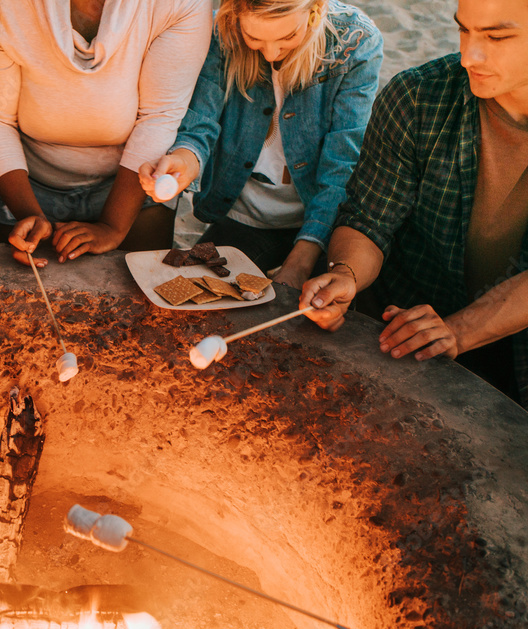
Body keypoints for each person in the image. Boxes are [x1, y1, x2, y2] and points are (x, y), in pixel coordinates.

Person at [300, 0, 528, 407]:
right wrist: (347, 273)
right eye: (464, 30)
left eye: (496, 36)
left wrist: (459, 330)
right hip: (396, 325)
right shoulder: (418, 95)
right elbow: (369, 218)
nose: (469, 55)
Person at [139, 0, 382, 288]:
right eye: (253, 38)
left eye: (288, 37)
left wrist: (301, 261)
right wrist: (185, 158)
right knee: (191, 288)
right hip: (245, 215)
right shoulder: (220, 32)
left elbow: (342, 166)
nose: (271, 52)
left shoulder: (356, 41)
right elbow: (200, 123)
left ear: (316, 11)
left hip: (322, 219)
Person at [0, 0, 212, 268]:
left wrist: (113, 227)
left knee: (139, 290)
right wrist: (30, 216)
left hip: (133, 184)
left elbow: (158, 117)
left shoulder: (178, 4)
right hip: (24, 181)